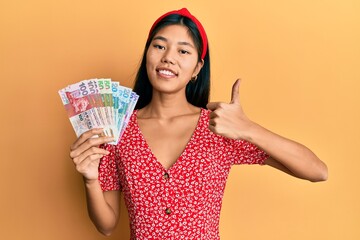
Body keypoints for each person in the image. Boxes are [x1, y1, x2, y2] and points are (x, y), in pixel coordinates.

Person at [69, 8, 328, 239]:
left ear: (197, 68)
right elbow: (107, 225)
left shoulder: (219, 127)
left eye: (183, 51)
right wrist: (90, 179)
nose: (168, 57)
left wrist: (247, 129)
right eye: (159, 46)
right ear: (147, 53)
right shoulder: (119, 130)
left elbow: (317, 171)